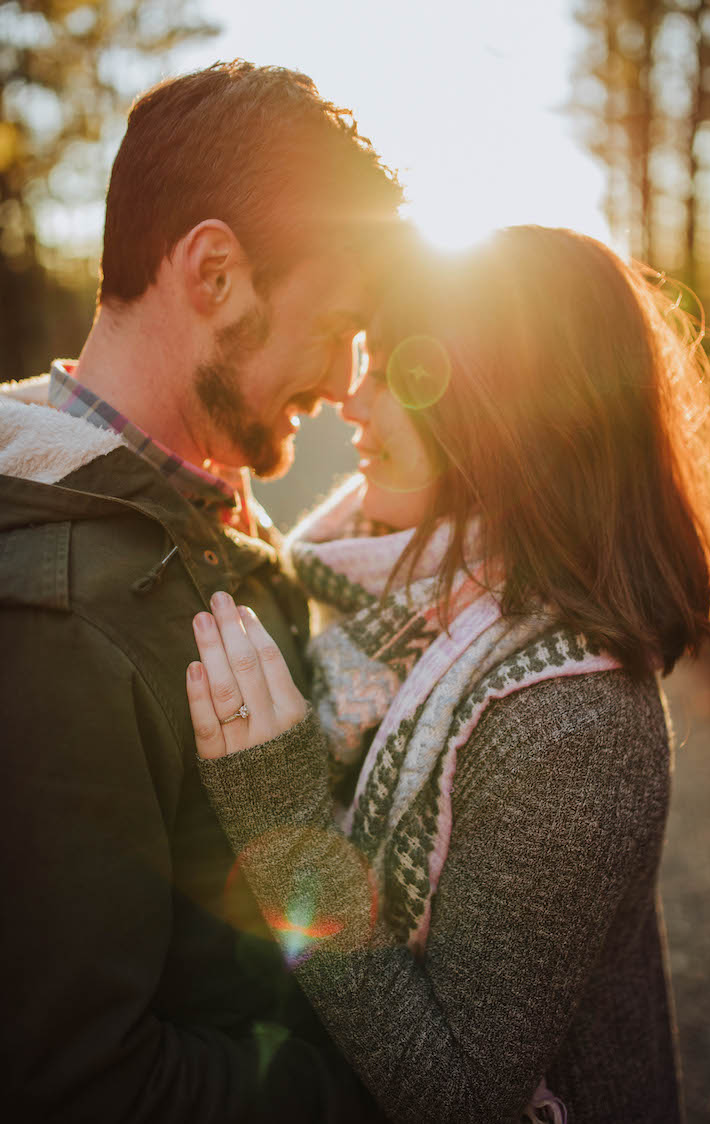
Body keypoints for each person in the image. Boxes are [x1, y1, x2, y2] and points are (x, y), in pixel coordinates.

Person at [186, 227, 710, 1123]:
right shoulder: (402, 606)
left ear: (506, 411)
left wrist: (282, 816)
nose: (352, 401)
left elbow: (463, 1091)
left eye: (393, 372)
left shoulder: (572, 720)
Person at [0, 60, 403, 1122]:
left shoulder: (193, 506)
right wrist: (370, 1090)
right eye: (336, 323)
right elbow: (80, 1083)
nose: (343, 377)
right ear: (214, 271)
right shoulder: (62, 620)